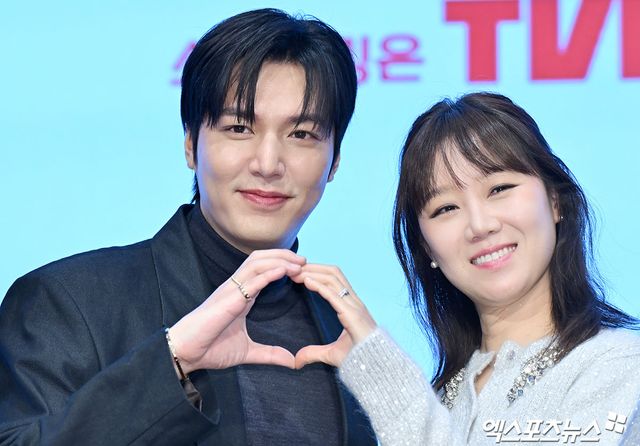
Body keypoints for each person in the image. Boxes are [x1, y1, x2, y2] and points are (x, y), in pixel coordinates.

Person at [0, 8, 377, 445]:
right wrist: (171, 363)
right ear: (191, 145)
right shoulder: (68, 301)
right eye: (239, 127)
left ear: (335, 161)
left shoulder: (344, 333)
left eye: (302, 135)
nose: (268, 164)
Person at [292, 92, 640, 445]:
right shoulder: (444, 396)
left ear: (554, 202)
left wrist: (385, 377)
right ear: (426, 247)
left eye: (499, 188)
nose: (479, 225)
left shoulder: (618, 367)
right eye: (446, 209)